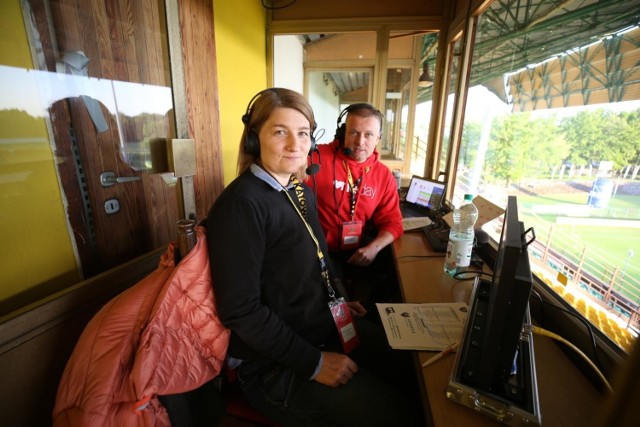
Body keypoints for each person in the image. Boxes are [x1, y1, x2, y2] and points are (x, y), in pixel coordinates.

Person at [206, 88, 422, 426]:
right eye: (280, 132)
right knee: (398, 416)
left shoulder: (299, 189)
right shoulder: (241, 206)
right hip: (273, 364)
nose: (295, 145)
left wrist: (336, 300)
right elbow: (241, 311)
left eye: (303, 133)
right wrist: (316, 363)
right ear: (253, 138)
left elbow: (316, 262)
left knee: (415, 371)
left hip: (323, 324)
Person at [306, 103, 403, 308]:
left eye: (368, 134)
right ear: (342, 132)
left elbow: (393, 222)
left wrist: (373, 248)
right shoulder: (315, 158)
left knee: (393, 273)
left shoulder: (383, 175)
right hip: (320, 251)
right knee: (331, 298)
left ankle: (369, 315)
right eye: (354, 133)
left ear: (378, 138)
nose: (360, 142)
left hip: (359, 249)